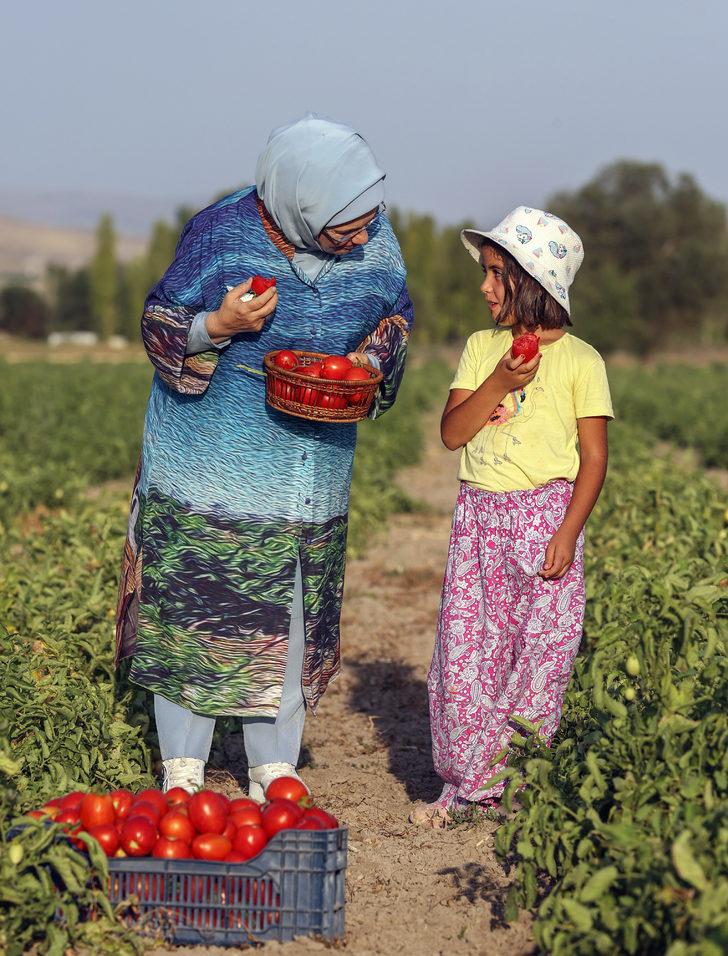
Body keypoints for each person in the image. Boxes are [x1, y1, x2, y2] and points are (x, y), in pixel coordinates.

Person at [115, 115, 414, 799]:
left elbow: (396, 318)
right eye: (347, 226)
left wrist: (369, 362)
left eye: (369, 218)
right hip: (212, 460)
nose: (364, 235)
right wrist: (219, 326)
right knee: (198, 604)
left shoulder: (378, 239)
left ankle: (271, 764)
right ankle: (183, 768)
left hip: (311, 464)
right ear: (300, 204)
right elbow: (160, 324)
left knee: (289, 605)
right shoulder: (219, 234)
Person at [411, 206, 612, 826]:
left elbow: (594, 460)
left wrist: (568, 532)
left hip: (546, 520)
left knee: (542, 651)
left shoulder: (582, 361)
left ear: (531, 281)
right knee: (469, 654)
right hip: (481, 522)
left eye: (496, 274)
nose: (484, 286)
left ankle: (517, 780)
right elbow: (451, 434)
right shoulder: (482, 350)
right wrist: (499, 379)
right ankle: (469, 782)